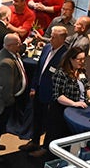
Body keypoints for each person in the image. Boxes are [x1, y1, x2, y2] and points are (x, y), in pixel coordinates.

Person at [32, 46, 90, 158]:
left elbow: (86, 85)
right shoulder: (61, 73)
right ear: (71, 59)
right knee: (55, 137)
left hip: (76, 111)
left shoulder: (81, 71)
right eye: (79, 59)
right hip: (60, 111)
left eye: (84, 59)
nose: (82, 62)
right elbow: (58, 95)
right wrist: (74, 103)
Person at [20, 25, 68, 153]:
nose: (50, 39)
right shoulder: (47, 48)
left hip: (52, 95)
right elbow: (38, 69)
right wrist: (33, 87)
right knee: (37, 117)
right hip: (39, 90)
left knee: (49, 122)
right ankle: (34, 141)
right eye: (51, 36)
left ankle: (45, 147)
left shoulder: (65, 56)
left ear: (62, 39)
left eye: (54, 37)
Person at [0, 33, 26, 146]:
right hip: (2, 104)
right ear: (10, 45)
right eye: (17, 44)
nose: (20, 45)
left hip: (5, 101)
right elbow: (6, 88)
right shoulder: (6, 63)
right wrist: (10, 101)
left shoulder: (9, 52)